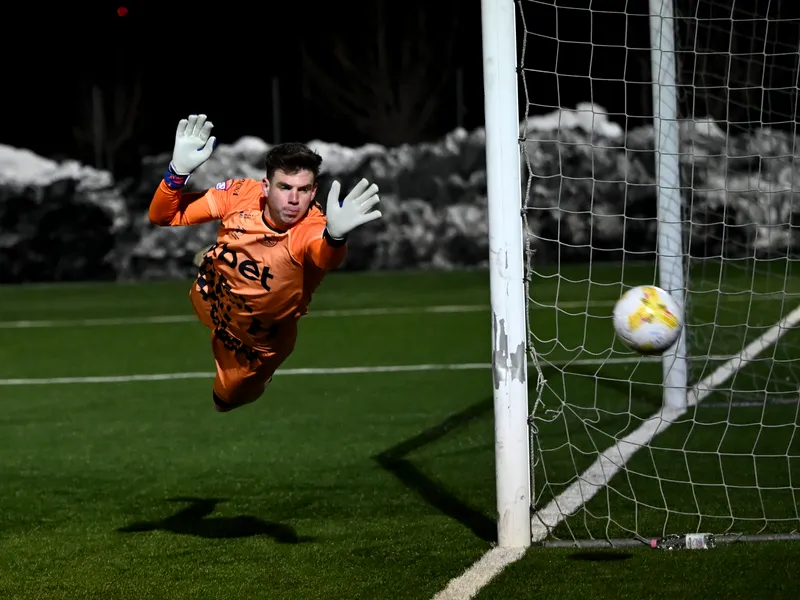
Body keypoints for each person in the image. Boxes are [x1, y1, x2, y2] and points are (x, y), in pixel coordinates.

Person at [148, 114, 382, 412]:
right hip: (213, 298)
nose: (294, 199)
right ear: (265, 187)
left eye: (303, 190)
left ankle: (260, 378)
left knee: (224, 402)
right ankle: (223, 258)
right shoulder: (239, 194)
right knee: (203, 288)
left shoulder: (312, 227)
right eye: (285, 187)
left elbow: (326, 258)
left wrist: (335, 238)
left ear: (313, 192)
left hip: (256, 344)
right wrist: (176, 173)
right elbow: (162, 216)